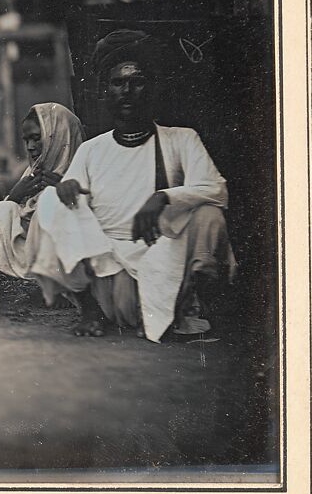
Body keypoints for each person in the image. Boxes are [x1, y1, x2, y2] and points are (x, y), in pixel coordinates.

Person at [27, 29, 236, 340]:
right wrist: (65, 189)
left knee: (209, 215)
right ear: (106, 91)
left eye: (137, 82)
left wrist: (164, 197)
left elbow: (216, 189)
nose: (127, 90)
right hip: (111, 273)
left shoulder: (181, 139)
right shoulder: (91, 150)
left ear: (151, 89)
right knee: (50, 202)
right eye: (118, 83)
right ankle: (90, 312)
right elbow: (72, 207)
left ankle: (189, 311)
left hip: (166, 258)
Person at [0, 103, 84, 278]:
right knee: (6, 207)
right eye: (26, 140)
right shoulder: (32, 175)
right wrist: (14, 196)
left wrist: (62, 190)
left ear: (59, 137)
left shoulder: (81, 172)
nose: (31, 146)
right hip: (30, 256)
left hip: (66, 260)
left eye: (37, 138)